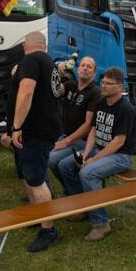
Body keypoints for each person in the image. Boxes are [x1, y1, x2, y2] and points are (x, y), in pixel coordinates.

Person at [59, 67, 136, 241]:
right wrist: (86, 154)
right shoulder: (102, 103)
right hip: (98, 150)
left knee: (87, 173)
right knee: (64, 165)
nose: (103, 86)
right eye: (102, 82)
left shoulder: (126, 109)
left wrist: (92, 160)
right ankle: (83, 207)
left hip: (120, 156)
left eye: (108, 84)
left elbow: (118, 142)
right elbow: (93, 131)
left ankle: (101, 223)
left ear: (120, 86)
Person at [11, 31, 62, 252]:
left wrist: (16, 126)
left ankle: (49, 230)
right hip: (43, 128)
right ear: (44, 44)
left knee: (36, 178)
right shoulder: (49, 62)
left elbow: (27, 91)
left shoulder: (31, 60)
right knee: (27, 172)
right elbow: (57, 91)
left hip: (34, 130)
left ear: (25, 45)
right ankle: (37, 215)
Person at [48, 56, 100, 189]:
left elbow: (88, 125)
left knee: (53, 160)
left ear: (94, 73)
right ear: (77, 69)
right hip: (65, 135)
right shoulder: (71, 85)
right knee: (47, 157)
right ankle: (71, 190)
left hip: (82, 141)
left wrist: (65, 142)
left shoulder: (95, 93)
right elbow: (54, 90)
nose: (85, 68)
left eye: (89, 67)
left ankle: (74, 193)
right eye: (82, 65)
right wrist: (59, 72)